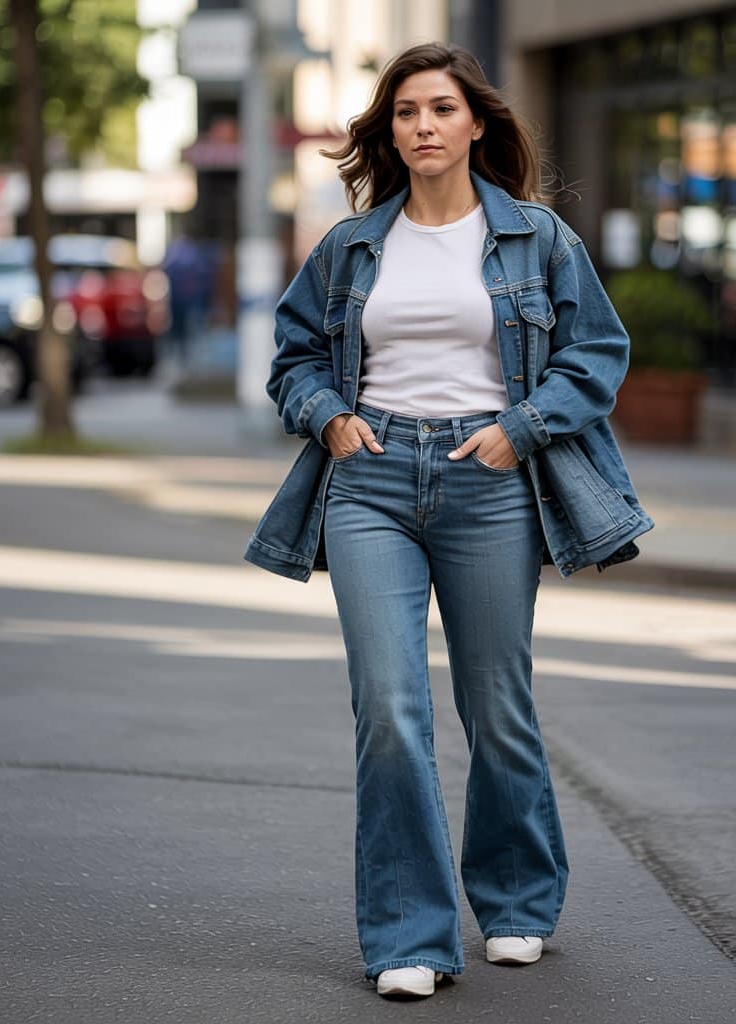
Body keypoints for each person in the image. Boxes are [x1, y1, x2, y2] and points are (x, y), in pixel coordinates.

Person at [244, 41, 654, 998]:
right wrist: (329, 416)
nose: (422, 126)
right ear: (389, 132)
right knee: (388, 707)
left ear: (476, 122)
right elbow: (293, 357)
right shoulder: (351, 247)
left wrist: (523, 428)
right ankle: (410, 936)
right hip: (371, 479)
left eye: (439, 109)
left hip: (489, 477)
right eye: (404, 113)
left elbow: (596, 351)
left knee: (493, 700)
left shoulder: (540, 240)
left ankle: (514, 900)